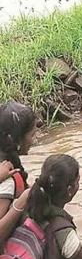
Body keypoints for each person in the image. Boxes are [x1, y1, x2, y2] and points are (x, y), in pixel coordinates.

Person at [0, 102, 37, 243]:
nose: (35, 140)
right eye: (32, 135)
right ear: (17, 140)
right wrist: (21, 203)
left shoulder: (9, 165)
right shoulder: (8, 180)